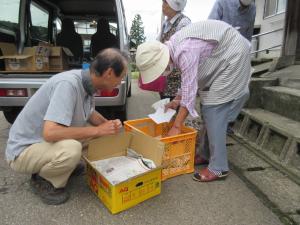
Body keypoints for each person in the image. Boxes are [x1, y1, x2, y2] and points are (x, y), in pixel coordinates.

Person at [5, 48, 128, 205]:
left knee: (100, 135)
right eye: (122, 76)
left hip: (41, 143)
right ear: (109, 73)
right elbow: (50, 133)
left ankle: (62, 166)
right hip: (23, 150)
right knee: (72, 149)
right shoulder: (68, 84)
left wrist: (107, 125)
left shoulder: (88, 84)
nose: (121, 81)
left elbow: (90, 113)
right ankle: (43, 180)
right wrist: (97, 130)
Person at [135, 20, 251, 182]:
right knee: (208, 110)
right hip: (225, 52)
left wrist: (177, 126)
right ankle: (205, 154)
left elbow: (190, 91)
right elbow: (189, 81)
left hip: (233, 55)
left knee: (213, 110)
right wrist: (176, 101)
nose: (161, 73)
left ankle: (219, 168)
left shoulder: (184, 51)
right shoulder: (175, 46)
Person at [158, 0, 190, 100]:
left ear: (174, 5)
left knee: (175, 106)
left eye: (165, 2)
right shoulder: (165, 23)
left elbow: (185, 52)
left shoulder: (183, 23)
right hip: (166, 77)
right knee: (165, 109)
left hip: (177, 79)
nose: (162, 5)